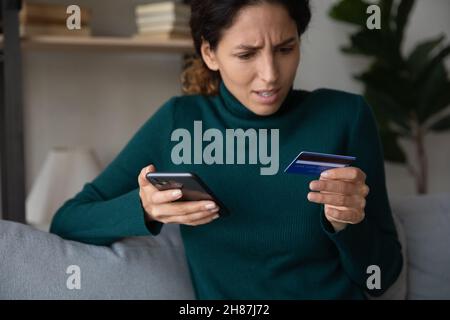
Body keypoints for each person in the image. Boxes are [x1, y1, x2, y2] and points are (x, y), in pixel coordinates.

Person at [50, 0, 403, 299]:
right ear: (209, 53)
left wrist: (348, 225)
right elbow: (68, 220)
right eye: (247, 54)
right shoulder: (179, 122)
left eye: (285, 48)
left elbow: (381, 276)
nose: (269, 75)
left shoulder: (345, 116)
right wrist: (145, 209)